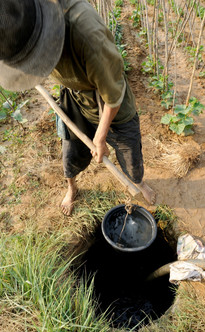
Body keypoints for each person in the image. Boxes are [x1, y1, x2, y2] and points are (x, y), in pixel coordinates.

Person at [0, 0, 156, 215]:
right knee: (70, 151)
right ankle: (72, 188)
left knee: (130, 152)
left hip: (107, 96)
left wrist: (100, 138)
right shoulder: (12, 25)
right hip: (73, 96)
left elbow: (113, 96)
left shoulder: (87, 35)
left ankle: (138, 182)